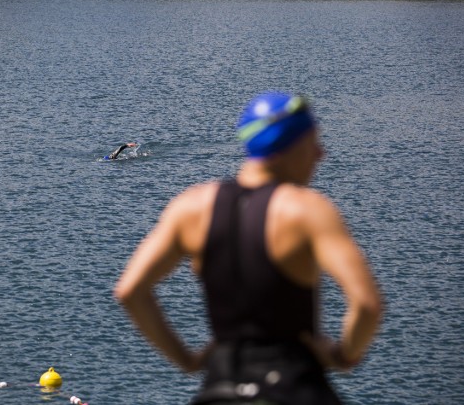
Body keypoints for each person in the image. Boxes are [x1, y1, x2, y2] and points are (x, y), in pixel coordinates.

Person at [114, 92, 383, 404]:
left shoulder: (191, 208)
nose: (320, 154)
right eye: (313, 143)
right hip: (295, 386)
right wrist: (342, 354)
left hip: (220, 387)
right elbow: (367, 303)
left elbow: (130, 291)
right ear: (287, 146)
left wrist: (187, 360)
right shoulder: (306, 210)